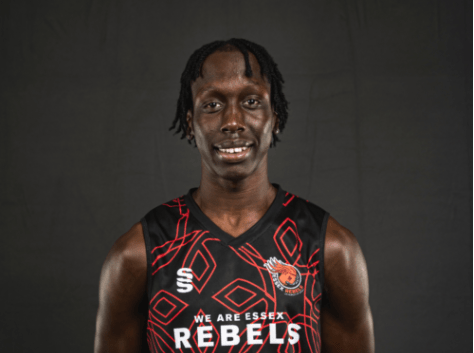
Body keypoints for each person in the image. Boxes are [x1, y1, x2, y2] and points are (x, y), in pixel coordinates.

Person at [94, 38, 374, 353]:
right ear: (190, 123)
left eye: (251, 102)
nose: (232, 122)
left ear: (275, 118)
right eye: (212, 105)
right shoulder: (139, 253)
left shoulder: (330, 248)